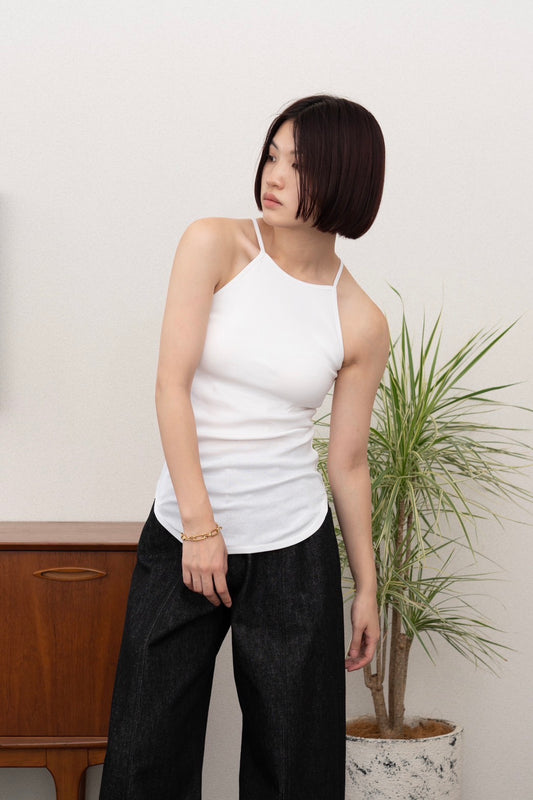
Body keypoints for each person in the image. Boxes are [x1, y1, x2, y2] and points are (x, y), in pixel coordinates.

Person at [99, 94, 389, 800]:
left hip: (294, 550)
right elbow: (171, 386)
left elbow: (347, 461)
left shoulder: (360, 318)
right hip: (184, 533)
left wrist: (367, 586)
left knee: (294, 770)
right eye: (271, 154)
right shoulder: (214, 244)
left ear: (346, 178)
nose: (274, 175)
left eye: (299, 163)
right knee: (143, 760)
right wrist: (201, 528)